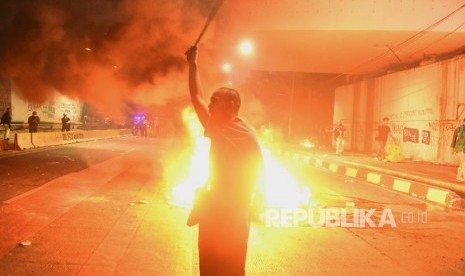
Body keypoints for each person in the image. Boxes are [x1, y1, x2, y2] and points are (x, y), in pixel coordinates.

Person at [186, 45, 264, 276]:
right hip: (221, 211)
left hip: (230, 214)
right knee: (214, 267)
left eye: (215, 101)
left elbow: (253, 176)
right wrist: (193, 65)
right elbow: (196, 97)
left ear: (231, 106)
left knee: (225, 267)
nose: (209, 105)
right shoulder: (228, 128)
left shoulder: (236, 133)